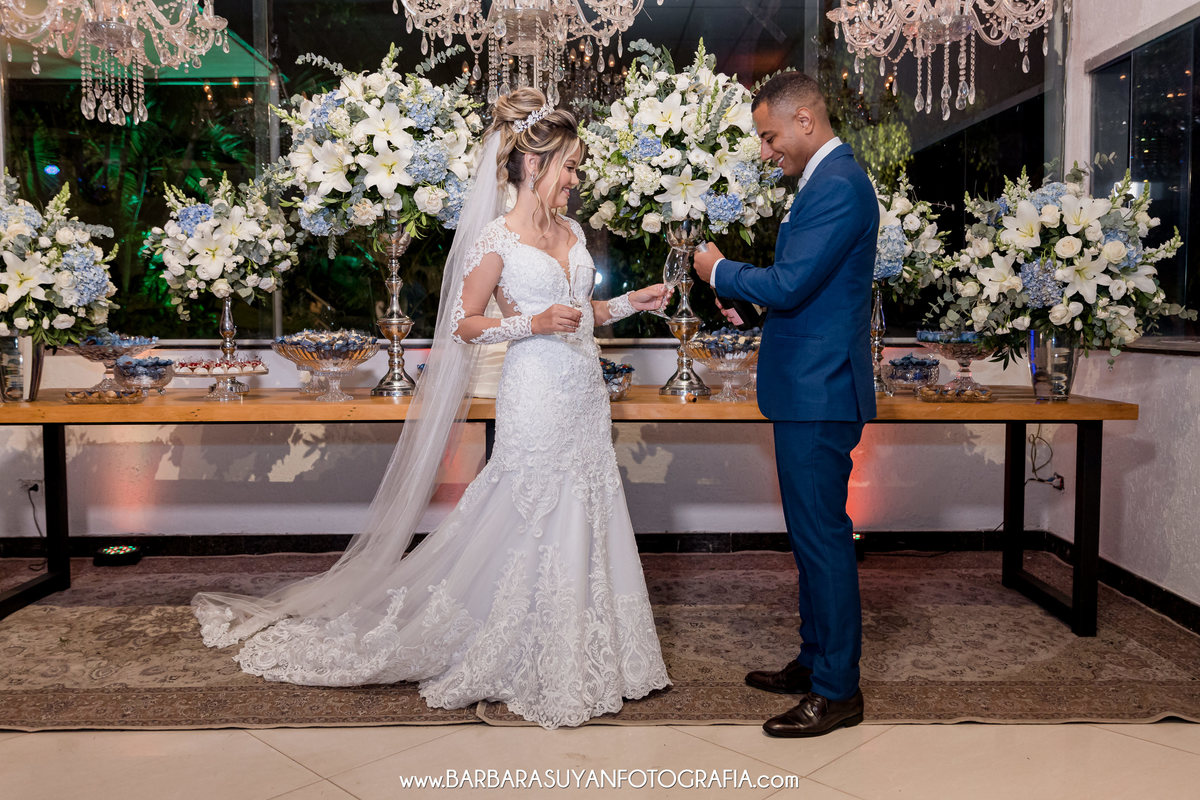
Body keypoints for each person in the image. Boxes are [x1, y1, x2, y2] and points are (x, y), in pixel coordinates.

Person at [192, 88, 672, 730]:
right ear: (535, 165)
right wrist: (529, 324)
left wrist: (634, 302)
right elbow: (465, 325)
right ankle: (517, 645)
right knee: (531, 505)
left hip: (583, 389)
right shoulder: (497, 239)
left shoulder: (574, 232)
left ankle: (588, 650)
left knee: (588, 499)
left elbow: (582, 314)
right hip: (534, 390)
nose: (576, 181)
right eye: (570, 167)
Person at [692, 71, 878, 738]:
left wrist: (718, 269)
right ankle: (813, 659)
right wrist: (750, 303)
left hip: (820, 389)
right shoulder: (824, 182)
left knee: (823, 540)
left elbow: (794, 282)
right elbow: (808, 291)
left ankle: (838, 690)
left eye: (770, 137)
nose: (767, 151)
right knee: (809, 536)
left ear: (805, 120)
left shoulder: (839, 184)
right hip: (808, 382)